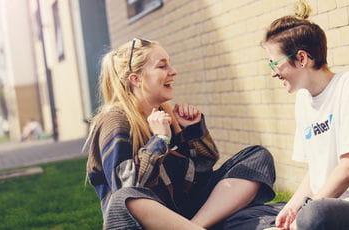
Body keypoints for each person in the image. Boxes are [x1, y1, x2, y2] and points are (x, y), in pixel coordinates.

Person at [85, 38, 282, 230]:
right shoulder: (115, 121)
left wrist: (193, 131)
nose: (173, 72)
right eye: (162, 66)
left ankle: (196, 226)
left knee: (257, 157)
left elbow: (202, 170)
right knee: (125, 199)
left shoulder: (165, 113)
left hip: (187, 214)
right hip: (148, 222)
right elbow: (128, 188)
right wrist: (159, 141)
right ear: (135, 79)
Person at [262, 1, 349, 229]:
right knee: (259, 214)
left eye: (275, 63)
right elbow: (316, 170)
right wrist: (292, 207)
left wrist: (304, 214)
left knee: (315, 214)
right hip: (330, 205)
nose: (273, 73)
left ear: (302, 58)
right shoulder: (303, 101)